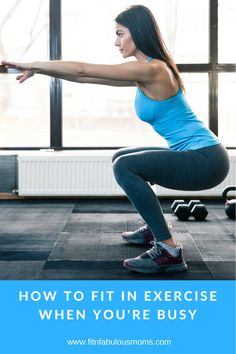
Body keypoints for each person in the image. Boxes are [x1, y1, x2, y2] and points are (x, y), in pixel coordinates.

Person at [1, 5, 229, 274]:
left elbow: (83, 69)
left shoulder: (153, 70)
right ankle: (154, 227)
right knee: (121, 157)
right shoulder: (144, 71)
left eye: (120, 34)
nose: (116, 41)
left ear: (139, 34)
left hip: (206, 160)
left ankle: (168, 250)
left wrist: (32, 63)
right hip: (202, 155)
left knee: (125, 166)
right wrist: (42, 71)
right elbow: (83, 77)